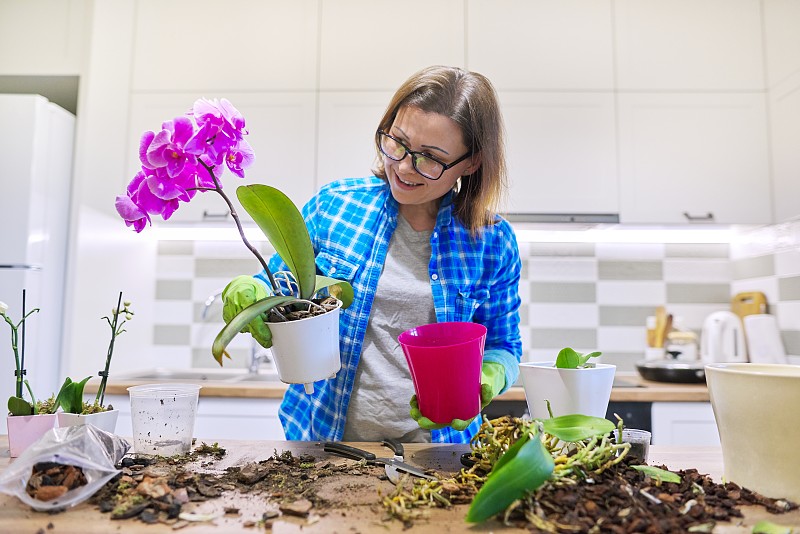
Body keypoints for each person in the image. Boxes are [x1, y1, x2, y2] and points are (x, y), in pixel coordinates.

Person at [223, 65, 522, 443]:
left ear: (472, 162)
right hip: (322, 445)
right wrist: (253, 289)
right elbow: (279, 286)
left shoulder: (493, 242)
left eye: (429, 157)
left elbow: (504, 346)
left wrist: (487, 377)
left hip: (437, 455)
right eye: (397, 141)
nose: (402, 166)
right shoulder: (335, 206)